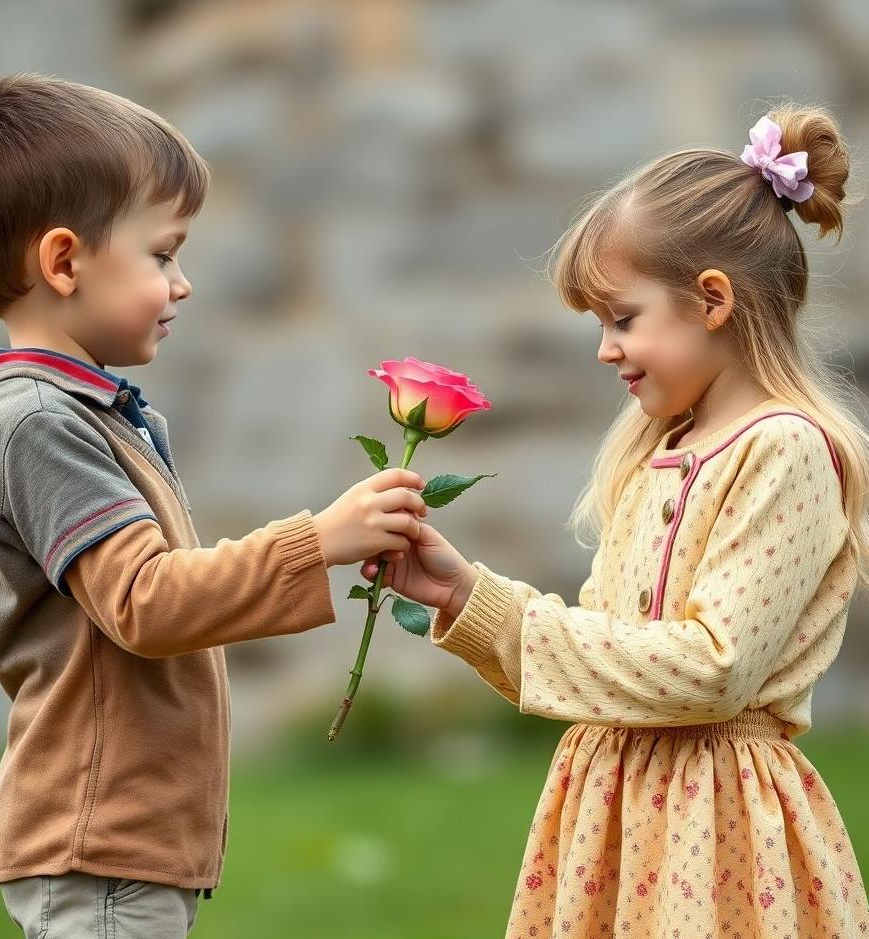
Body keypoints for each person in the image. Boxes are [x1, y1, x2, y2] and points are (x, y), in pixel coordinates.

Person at [0, 73, 428, 938]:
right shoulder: (41, 424)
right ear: (63, 262)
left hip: (126, 845)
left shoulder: (85, 412)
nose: (184, 282)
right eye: (162, 254)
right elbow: (146, 601)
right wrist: (318, 541)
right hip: (98, 848)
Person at [362, 104, 869, 936]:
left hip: (715, 828)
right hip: (614, 813)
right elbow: (607, 640)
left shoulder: (784, 450)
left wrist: (520, 625)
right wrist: (462, 597)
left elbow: (714, 671)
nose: (604, 349)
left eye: (621, 318)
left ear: (711, 300)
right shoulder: (657, 449)